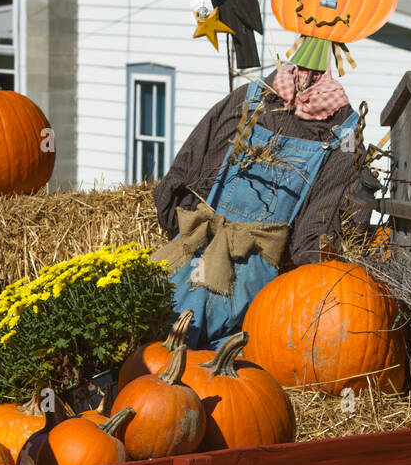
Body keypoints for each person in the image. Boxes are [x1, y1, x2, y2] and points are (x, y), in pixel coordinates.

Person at [152, 60, 372, 347]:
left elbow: (185, 171)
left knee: (158, 332)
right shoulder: (345, 134)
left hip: (194, 248)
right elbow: (313, 241)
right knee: (231, 354)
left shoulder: (249, 97)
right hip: (252, 279)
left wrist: (173, 214)